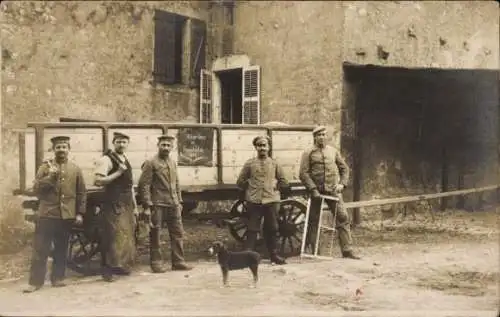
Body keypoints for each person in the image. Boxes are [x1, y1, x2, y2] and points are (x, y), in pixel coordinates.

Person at [24, 136, 87, 293]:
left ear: (68, 149)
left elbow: (81, 193)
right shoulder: (45, 168)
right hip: (47, 214)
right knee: (41, 249)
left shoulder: (75, 169)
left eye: (64, 147)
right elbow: (37, 189)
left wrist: (79, 213)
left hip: (66, 216)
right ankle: (35, 282)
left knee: (61, 248)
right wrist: (50, 177)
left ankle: (58, 278)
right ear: (53, 149)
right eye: (58, 147)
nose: (61, 150)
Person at [299, 126, 361, 259]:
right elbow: (303, 174)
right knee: (313, 220)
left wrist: (342, 184)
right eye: (319, 135)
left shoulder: (333, 151)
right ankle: (314, 251)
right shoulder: (308, 152)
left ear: (326, 137)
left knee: (343, 217)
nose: (322, 137)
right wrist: (313, 189)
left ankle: (347, 250)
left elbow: (344, 169)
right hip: (317, 192)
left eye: (323, 134)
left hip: (333, 191)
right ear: (314, 137)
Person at [138, 135, 192, 272]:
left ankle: (178, 261)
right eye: (163, 145)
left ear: (172, 147)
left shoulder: (173, 162)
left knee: (178, 233)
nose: (166, 148)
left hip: (173, 204)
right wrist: (147, 206)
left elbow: (177, 183)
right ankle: (156, 263)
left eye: (168, 145)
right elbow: (144, 185)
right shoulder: (151, 163)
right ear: (158, 146)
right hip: (158, 204)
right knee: (155, 234)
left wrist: (179, 201)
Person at [236, 135, 289, 265]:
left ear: (269, 147)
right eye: (259, 145)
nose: (262, 148)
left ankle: (274, 255)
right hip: (254, 201)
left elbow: (283, 181)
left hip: (271, 200)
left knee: (272, 228)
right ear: (255, 147)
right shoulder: (249, 164)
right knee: (252, 228)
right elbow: (240, 181)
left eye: (264, 145)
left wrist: (276, 188)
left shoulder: (275, 163)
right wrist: (250, 189)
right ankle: (247, 257)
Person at [94, 132, 138, 282]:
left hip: (126, 203)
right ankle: (107, 272)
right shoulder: (106, 160)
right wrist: (118, 172)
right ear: (113, 143)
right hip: (112, 203)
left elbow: (130, 185)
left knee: (125, 235)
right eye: (119, 141)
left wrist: (135, 205)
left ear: (128, 144)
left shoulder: (125, 159)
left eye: (124, 142)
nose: (121, 144)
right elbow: (98, 181)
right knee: (110, 236)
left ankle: (121, 265)